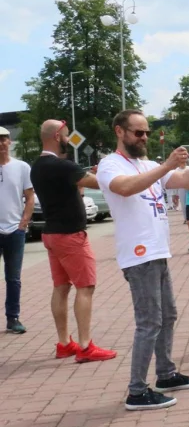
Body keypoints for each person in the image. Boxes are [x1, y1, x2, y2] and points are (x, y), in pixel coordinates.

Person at [97, 110, 189, 411]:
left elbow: (185, 180)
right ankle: (136, 390)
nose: (144, 137)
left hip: (158, 251)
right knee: (149, 322)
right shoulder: (111, 164)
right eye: (137, 132)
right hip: (138, 253)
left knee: (167, 315)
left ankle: (166, 374)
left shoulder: (148, 164)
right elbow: (125, 187)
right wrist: (167, 166)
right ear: (120, 132)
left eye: (146, 132)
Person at [31, 120, 115, 360]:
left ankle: (64, 343)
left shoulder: (37, 166)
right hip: (70, 235)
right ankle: (86, 346)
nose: (68, 140)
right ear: (58, 136)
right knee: (85, 287)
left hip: (51, 233)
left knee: (61, 287)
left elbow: (74, 183)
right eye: (67, 135)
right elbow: (100, 183)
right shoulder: (62, 166)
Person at [0, 126, 33, 335]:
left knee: (13, 278)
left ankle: (13, 318)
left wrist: (24, 223)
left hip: (14, 230)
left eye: (4, 140)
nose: (1, 144)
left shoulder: (22, 167)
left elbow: (29, 197)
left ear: (10, 142)